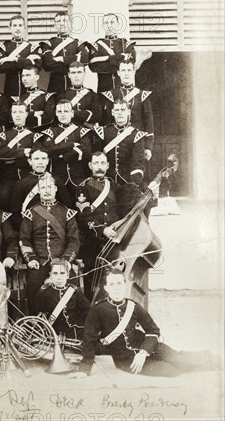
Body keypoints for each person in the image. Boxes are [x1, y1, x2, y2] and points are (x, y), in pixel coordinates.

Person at [71, 269, 219, 378]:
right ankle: (205, 363)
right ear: (106, 288)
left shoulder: (133, 306)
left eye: (119, 283)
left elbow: (153, 330)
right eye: (112, 284)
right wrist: (84, 369)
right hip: (126, 360)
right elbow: (88, 340)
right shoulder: (98, 310)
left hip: (149, 347)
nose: (116, 287)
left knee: (178, 359)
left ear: (124, 285)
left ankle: (214, 359)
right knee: (170, 371)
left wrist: (143, 352)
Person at [19, 173, 79, 315]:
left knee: (72, 291)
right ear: (39, 190)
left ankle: (69, 323)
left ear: (56, 189)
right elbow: (24, 239)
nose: (46, 190)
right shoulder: (30, 213)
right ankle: (35, 323)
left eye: (49, 187)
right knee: (33, 286)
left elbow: (74, 241)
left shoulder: (67, 213)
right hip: (39, 261)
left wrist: (66, 260)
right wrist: (31, 258)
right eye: (43, 187)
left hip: (62, 260)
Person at [75, 152, 121, 299]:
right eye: (96, 163)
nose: (99, 167)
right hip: (92, 242)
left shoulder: (115, 186)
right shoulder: (83, 188)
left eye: (102, 163)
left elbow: (127, 209)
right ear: (90, 165)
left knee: (115, 277)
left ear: (107, 165)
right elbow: (83, 217)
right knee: (92, 281)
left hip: (114, 240)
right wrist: (102, 230)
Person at [0, 101, 45, 210]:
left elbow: (35, 153)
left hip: (28, 176)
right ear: (11, 114)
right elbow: (0, 153)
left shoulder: (35, 136)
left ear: (26, 114)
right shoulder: (4, 135)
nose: (17, 115)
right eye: (14, 112)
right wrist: (23, 152)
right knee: (2, 198)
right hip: (9, 177)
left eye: (21, 112)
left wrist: (11, 157)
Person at [100, 60, 154, 161]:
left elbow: (149, 122)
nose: (126, 73)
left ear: (134, 72)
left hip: (137, 141)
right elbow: (107, 122)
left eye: (129, 70)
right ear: (118, 73)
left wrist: (148, 147)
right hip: (115, 142)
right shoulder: (111, 95)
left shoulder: (142, 95)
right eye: (123, 70)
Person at [42, 100, 92, 197]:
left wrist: (62, 155)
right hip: (57, 177)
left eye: (66, 111)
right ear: (56, 113)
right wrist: (72, 144)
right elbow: (49, 150)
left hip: (77, 177)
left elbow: (86, 151)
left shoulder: (82, 131)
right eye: (60, 112)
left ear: (72, 113)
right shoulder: (50, 132)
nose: (63, 115)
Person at [92, 100, 146, 186]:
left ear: (128, 112)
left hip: (127, 180)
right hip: (106, 180)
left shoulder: (136, 135)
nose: (119, 113)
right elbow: (96, 157)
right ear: (112, 112)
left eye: (123, 110)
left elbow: (137, 163)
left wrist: (133, 184)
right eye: (116, 110)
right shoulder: (103, 132)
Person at [36, 259, 90, 344]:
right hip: (52, 333)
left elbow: (87, 311)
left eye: (62, 273)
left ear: (67, 275)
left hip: (74, 332)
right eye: (55, 273)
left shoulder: (75, 291)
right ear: (50, 275)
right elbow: (37, 313)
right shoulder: (44, 291)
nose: (59, 277)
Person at [41, 12, 91, 94]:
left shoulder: (78, 43)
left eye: (64, 20)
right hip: (55, 85)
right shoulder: (48, 44)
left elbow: (85, 60)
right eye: (58, 21)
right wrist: (75, 59)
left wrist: (61, 59)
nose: (61, 24)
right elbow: (47, 64)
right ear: (54, 25)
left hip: (75, 85)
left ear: (70, 24)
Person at [0, 14, 43, 97]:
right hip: (10, 90)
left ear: (24, 28)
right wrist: (27, 61)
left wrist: (14, 60)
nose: (17, 28)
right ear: (9, 28)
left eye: (20, 25)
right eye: (14, 25)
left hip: (29, 92)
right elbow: (1, 67)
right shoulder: (4, 47)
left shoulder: (32, 47)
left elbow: (38, 66)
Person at [88, 13, 137, 93]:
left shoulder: (125, 44)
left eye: (112, 22)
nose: (109, 26)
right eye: (106, 23)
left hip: (124, 92)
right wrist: (119, 60)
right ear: (102, 26)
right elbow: (94, 67)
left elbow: (131, 62)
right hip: (104, 91)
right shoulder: (96, 45)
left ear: (118, 25)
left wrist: (106, 60)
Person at [57, 61, 101, 128]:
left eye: (79, 72)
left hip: (87, 134)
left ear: (84, 73)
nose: (76, 76)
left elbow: (97, 116)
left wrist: (73, 113)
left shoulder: (92, 95)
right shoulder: (62, 95)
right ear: (69, 75)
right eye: (73, 73)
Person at [12, 64, 56, 130]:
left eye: (28, 75)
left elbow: (48, 118)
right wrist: (34, 114)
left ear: (37, 77)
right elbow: (12, 118)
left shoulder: (47, 96)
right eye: (23, 76)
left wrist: (24, 116)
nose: (24, 79)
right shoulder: (19, 98)